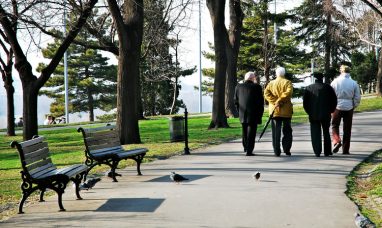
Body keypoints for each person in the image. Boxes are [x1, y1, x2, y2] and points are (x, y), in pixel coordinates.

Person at [303, 72, 337, 157]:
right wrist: (331, 110)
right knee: (326, 132)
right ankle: (327, 151)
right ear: (322, 78)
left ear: (315, 79)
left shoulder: (309, 88)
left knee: (315, 133)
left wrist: (309, 112)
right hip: (326, 113)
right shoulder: (328, 88)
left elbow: (305, 103)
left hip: (313, 114)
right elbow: (334, 100)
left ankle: (317, 151)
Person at [330, 65, 361, 154]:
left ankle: (337, 141)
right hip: (349, 106)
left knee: (335, 125)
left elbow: (331, 95)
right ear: (349, 71)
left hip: (337, 106)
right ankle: (346, 149)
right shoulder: (353, 83)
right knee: (347, 129)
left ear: (341, 71)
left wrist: (332, 106)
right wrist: (354, 105)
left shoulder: (335, 82)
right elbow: (357, 97)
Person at [264, 66, 293, 156]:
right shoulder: (287, 82)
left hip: (274, 110)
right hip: (286, 110)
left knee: (276, 131)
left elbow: (266, 94)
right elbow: (288, 93)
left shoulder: (271, 83)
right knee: (287, 130)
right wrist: (279, 101)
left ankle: (276, 150)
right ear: (284, 73)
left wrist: (275, 102)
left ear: (276, 74)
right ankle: (287, 149)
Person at [234, 71, 264, 156]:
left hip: (242, 113)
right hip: (254, 113)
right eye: (254, 77)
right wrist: (260, 113)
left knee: (244, 131)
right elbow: (260, 102)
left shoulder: (238, 87)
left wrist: (239, 110)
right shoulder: (257, 87)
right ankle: (249, 150)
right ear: (252, 78)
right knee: (252, 132)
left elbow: (235, 100)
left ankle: (245, 147)